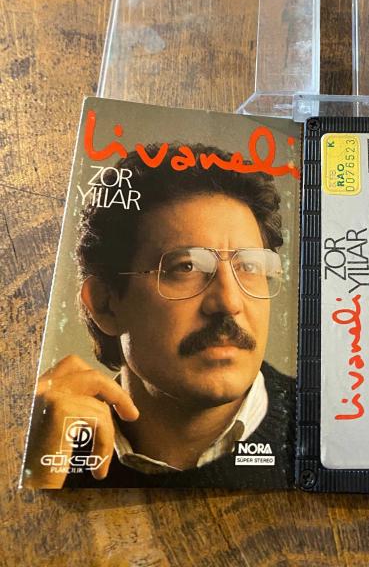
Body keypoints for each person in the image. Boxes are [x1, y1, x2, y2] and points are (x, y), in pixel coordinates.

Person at [23, 143, 295, 488]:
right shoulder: (49, 451)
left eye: (250, 267)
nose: (229, 302)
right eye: (187, 267)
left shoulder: (327, 429)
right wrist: (39, 478)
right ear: (105, 304)